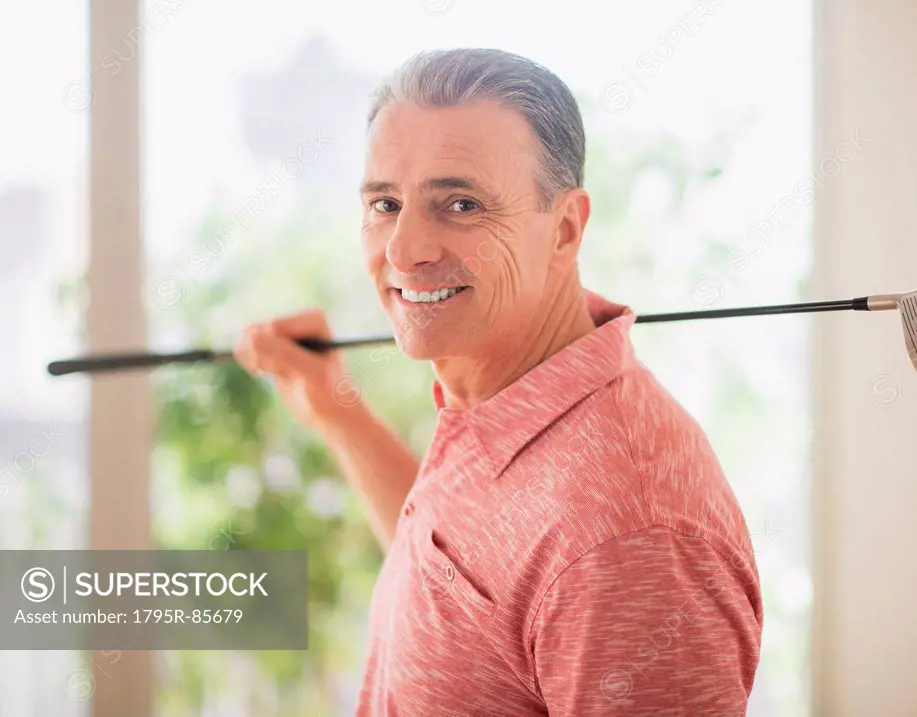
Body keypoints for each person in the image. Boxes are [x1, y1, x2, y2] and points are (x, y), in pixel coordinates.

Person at [235, 47, 762, 716]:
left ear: (565, 228)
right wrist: (338, 412)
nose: (404, 250)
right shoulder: (503, 390)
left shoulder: (629, 536)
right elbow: (463, 591)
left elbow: (566, 553)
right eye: (385, 204)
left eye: (460, 203)